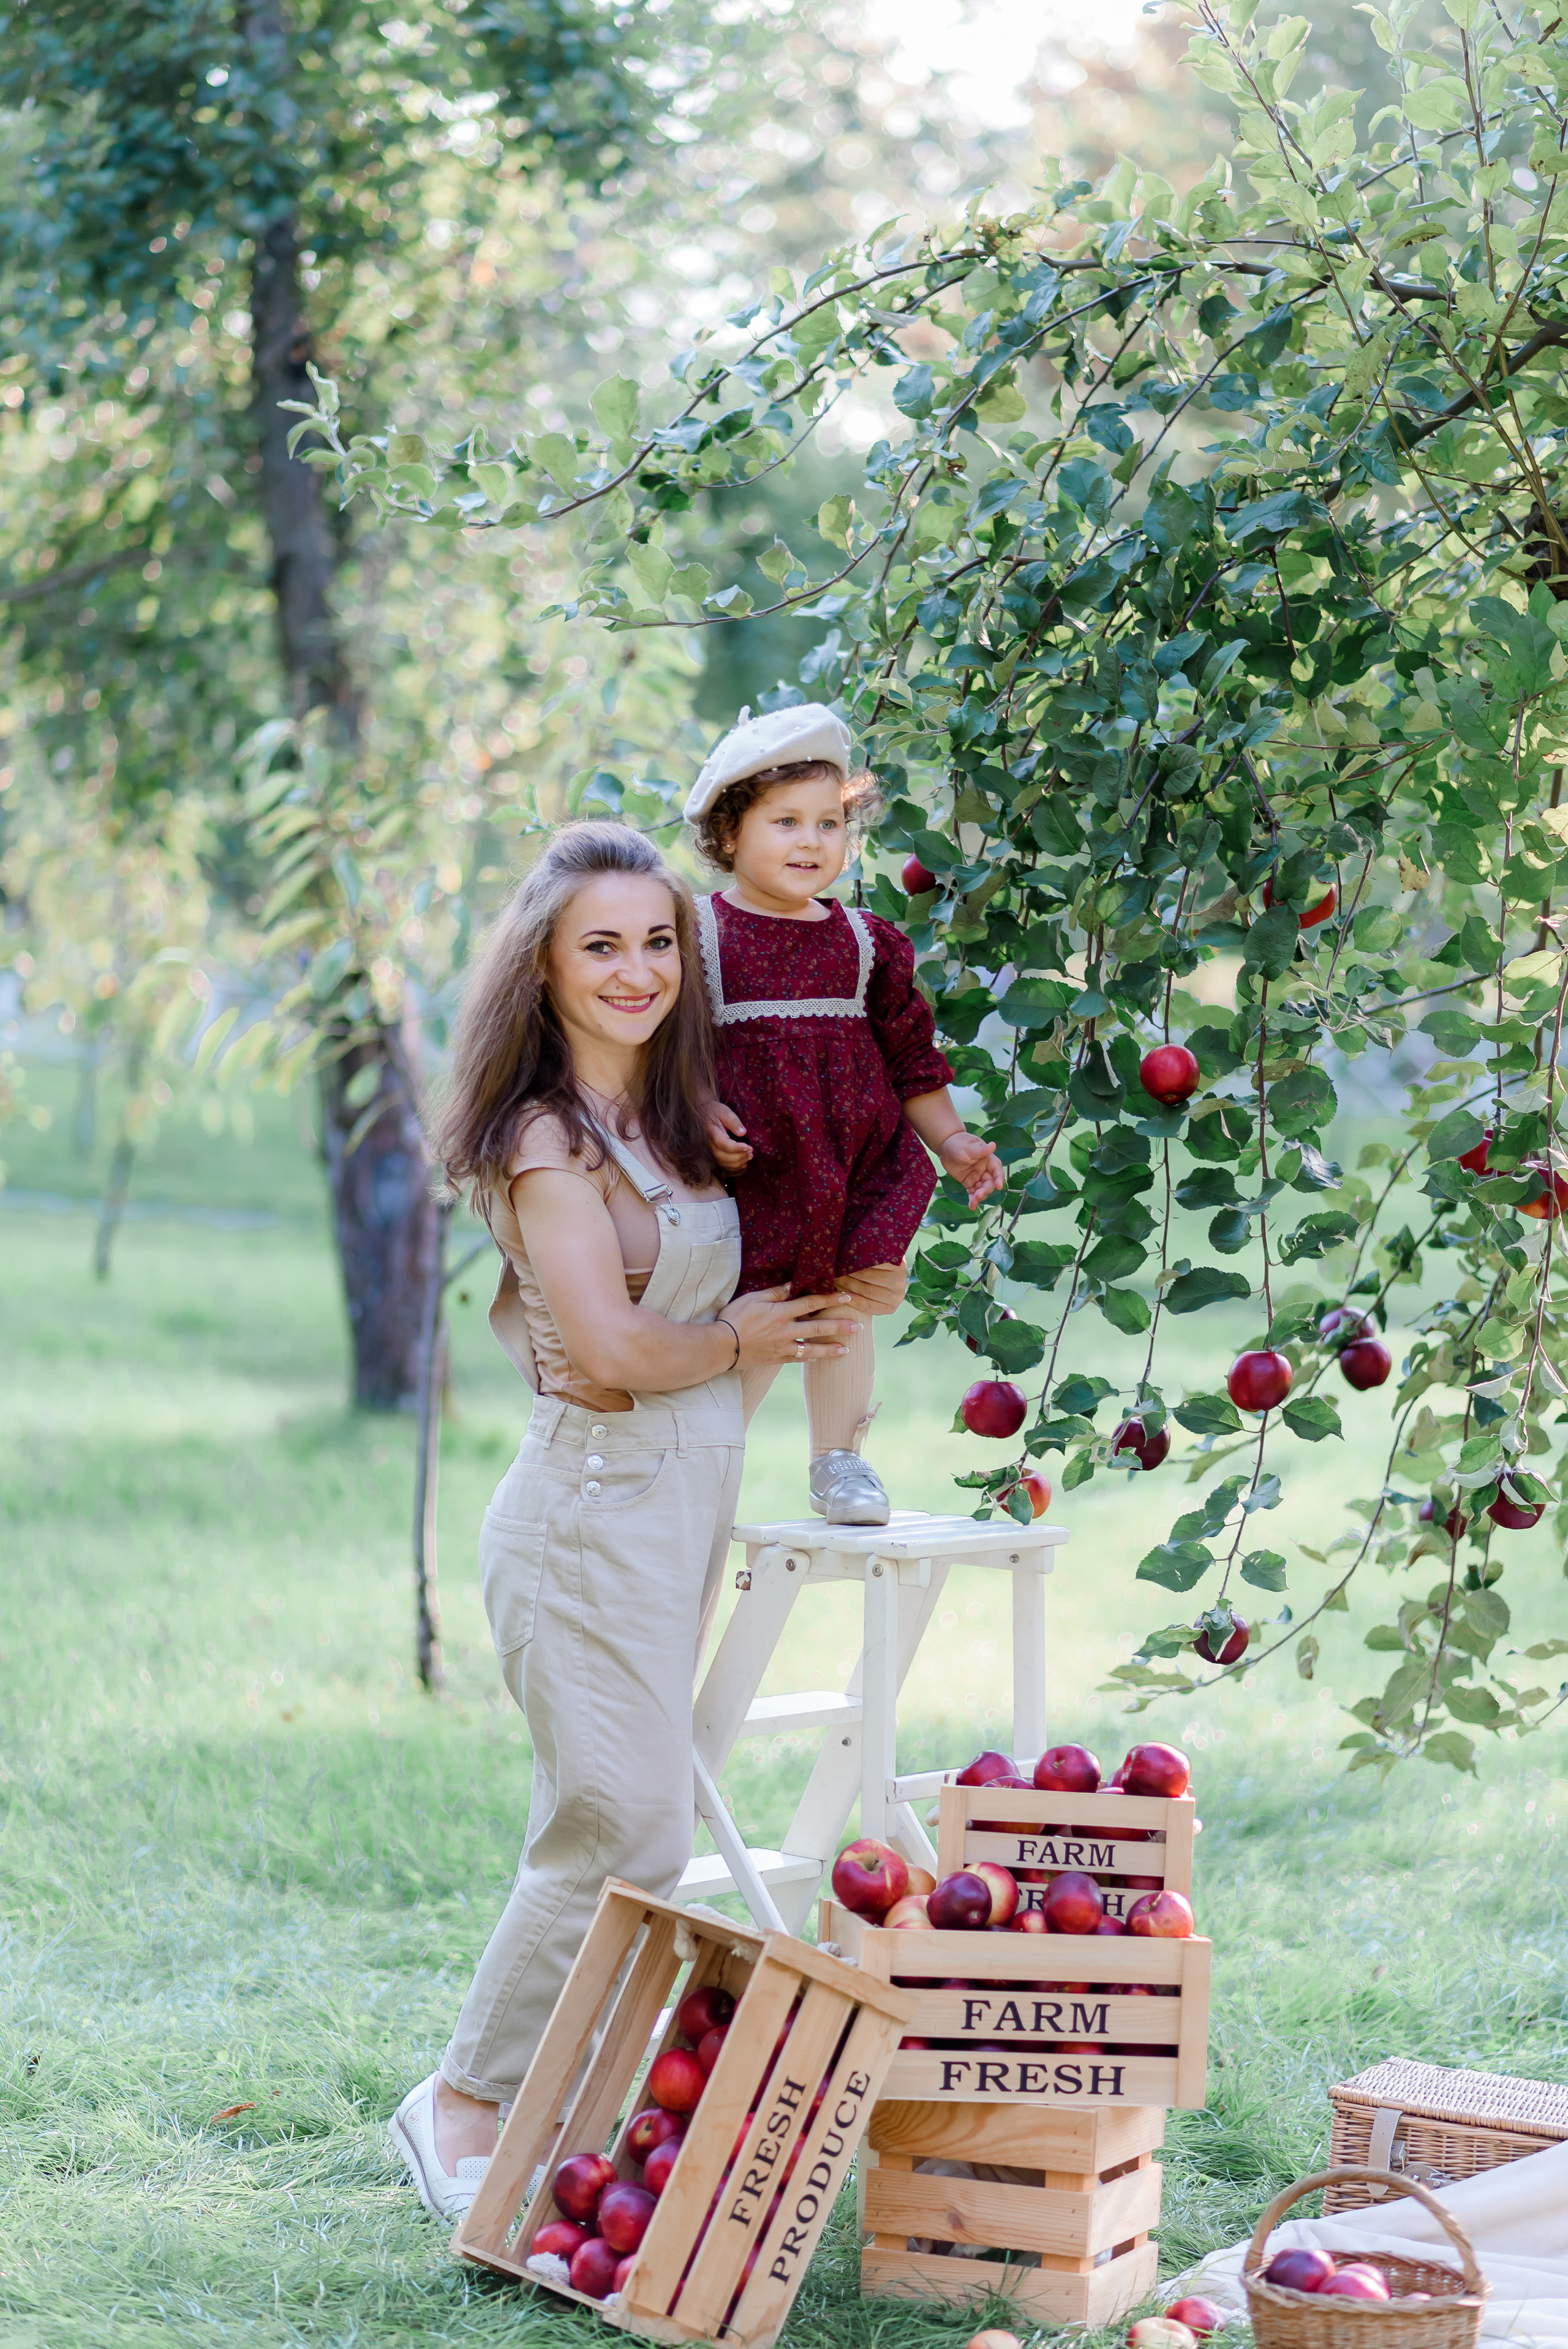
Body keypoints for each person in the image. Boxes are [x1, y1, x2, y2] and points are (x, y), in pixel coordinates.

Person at [388, 820, 858, 2222]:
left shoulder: (679, 1119)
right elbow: (604, 1347)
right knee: (622, 1830)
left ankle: (554, 2101)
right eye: (599, 945)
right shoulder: (543, 1139)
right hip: (587, 1511)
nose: (635, 969)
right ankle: (461, 2099)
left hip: (677, 1507)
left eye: (657, 941)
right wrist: (741, 1335)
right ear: (541, 968)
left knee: (613, 1817)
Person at [688, 704, 1005, 1527]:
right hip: (754, 1165)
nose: (811, 842)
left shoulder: (867, 941)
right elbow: (662, 1047)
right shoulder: (697, 936)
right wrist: (693, 1108)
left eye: (829, 823)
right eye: (785, 821)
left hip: (852, 1160)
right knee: (759, 1309)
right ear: (728, 832)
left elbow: (910, 1058)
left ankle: (839, 1461)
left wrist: (952, 1137)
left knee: (842, 1307)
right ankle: (708, 1456)